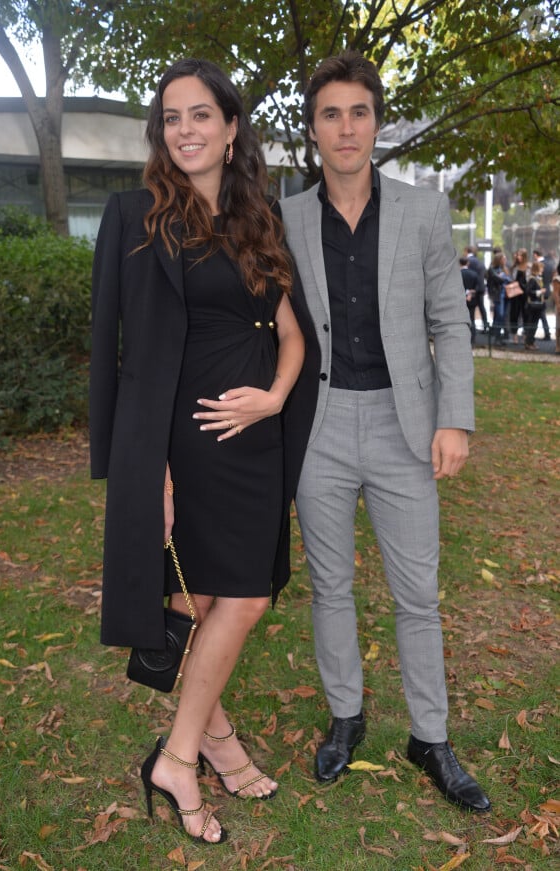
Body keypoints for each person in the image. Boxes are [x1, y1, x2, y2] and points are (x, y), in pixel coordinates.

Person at [89, 58, 319, 844]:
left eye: (200, 116)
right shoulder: (134, 215)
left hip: (254, 439)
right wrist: (142, 463)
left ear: (229, 129)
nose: (184, 129)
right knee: (204, 600)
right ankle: (188, 753)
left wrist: (278, 395)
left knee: (232, 597)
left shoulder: (261, 218)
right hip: (180, 440)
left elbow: (293, 335)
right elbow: (119, 351)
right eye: (171, 117)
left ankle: (199, 744)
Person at [279, 50, 490, 814]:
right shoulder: (288, 217)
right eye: (330, 113)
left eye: (358, 112)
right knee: (330, 585)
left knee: (417, 593)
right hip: (321, 422)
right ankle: (346, 717)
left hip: (406, 423)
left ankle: (430, 737)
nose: (346, 127)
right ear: (313, 129)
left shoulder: (423, 211)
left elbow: (448, 322)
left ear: (377, 122)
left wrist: (454, 418)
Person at [464, 245, 489, 332]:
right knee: (482, 308)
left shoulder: (468, 261)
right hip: (481, 288)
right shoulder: (479, 261)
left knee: (471, 310)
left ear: (467, 251)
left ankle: (472, 329)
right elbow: (485, 274)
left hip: (472, 289)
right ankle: (485, 326)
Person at [523, 258, 547, 350]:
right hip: (532, 306)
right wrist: (539, 292)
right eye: (541, 268)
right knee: (532, 325)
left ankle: (531, 342)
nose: (543, 270)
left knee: (534, 325)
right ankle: (528, 343)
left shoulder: (537, 279)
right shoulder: (532, 279)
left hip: (537, 306)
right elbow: (528, 291)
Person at [509, 248, 529, 344]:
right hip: (516, 294)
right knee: (514, 314)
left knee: (526, 315)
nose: (518, 257)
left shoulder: (528, 267)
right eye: (517, 255)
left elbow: (530, 281)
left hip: (525, 294)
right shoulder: (514, 267)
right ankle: (515, 336)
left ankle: (525, 336)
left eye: (520, 255)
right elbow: (512, 279)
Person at [532, 249, 552, 341]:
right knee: (541, 313)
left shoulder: (539, 265)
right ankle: (546, 332)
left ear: (535, 255)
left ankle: (531, 334)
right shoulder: (549, 264)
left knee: (540, 313)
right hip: (547, 290)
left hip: (540, 291)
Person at [459, 256, 479, 344]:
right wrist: (471, 294)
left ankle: (462, 338)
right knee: (472, 319)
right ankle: (473, 338)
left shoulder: (457, 274)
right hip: (472, 300)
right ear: (468, 263)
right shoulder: (474, 274)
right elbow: (478, 288)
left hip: (460, 300)